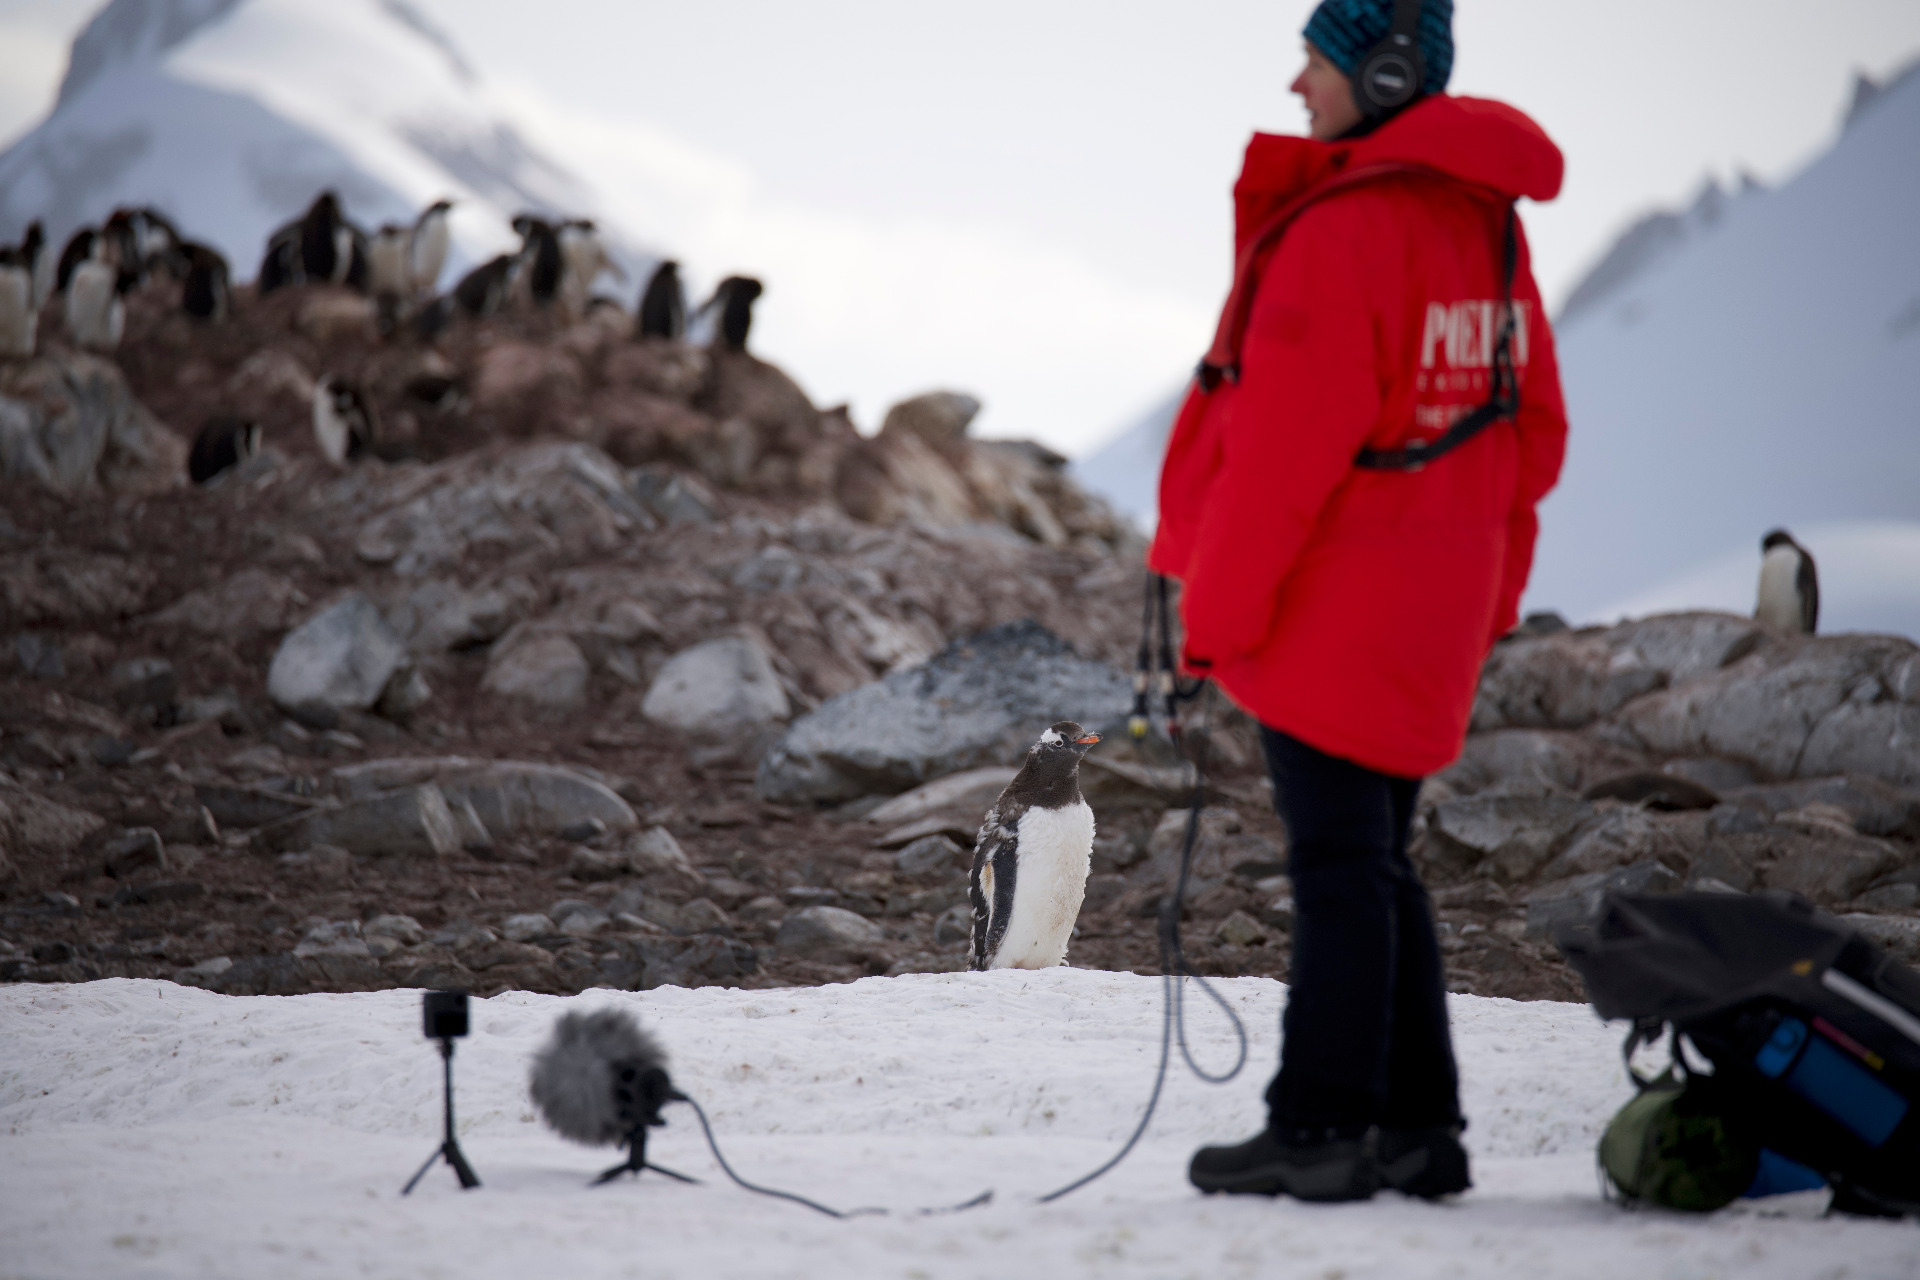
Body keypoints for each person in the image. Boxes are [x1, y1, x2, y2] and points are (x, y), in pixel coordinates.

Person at [1153, 0, 1569, 1202]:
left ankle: (1322, 1122)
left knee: (1341, 865)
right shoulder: (1484, 228)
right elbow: (1534, 432)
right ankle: (1418, 1127)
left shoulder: (1345, 233)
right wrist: (1483, 580)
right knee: (1379, 860)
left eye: (1319, 60)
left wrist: (1214, 619)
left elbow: (1280, 462)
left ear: (1384, 72)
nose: (1297, 83)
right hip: (1429, 606)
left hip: (1334, 610)